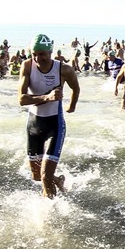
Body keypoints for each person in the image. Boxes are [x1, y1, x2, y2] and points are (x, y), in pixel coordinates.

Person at [18, 33, 80, 199]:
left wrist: (72, 106)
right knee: (37, 176)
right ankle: (58, 182)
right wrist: (47, 97)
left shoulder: (63, 69)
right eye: (34, 54)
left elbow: (76, 88)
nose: (38, 58)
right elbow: (22, 99)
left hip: (55, 125)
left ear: (50, 52)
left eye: (42, 54)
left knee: (45, 176)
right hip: (33, 125)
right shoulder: (27, 66)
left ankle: (50, 216)